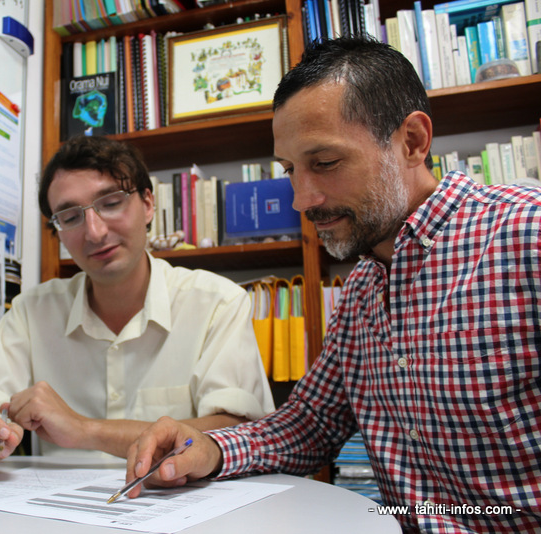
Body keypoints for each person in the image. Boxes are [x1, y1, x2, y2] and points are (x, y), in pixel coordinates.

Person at [123, 36, 541, 533]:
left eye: (324, 163)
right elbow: (311, 423)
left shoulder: (527, 236)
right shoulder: (364, 287)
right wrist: (209, 448)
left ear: (412, 141)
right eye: (290, 170)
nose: (301, 199)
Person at [0, 135, 275, 478]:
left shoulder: (217, 303)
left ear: (148, 204)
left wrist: (83, 429)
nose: (95, 232)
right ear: (59, 231)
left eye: (111, 202)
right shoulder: (32, 312)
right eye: (70, 217)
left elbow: (237, 434)